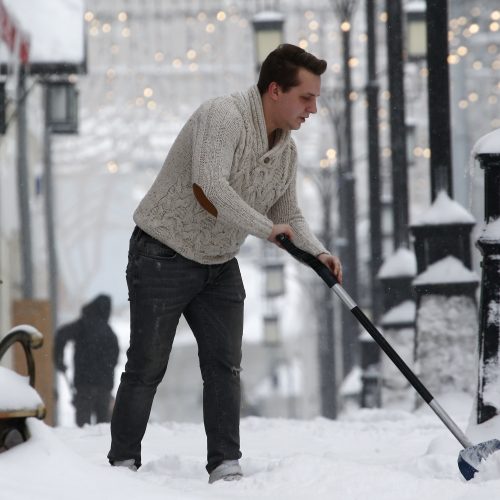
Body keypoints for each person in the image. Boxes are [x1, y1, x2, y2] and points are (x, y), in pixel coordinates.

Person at [107, 43, 342, 482]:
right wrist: (264, 227)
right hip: (163, 253)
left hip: (218, 262)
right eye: (306, 97)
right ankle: (122, 465)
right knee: (146, 366)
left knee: (224, 366)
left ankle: (224, 464)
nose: (314, 107)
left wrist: (319, 252)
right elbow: (208, 185)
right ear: (275, 90)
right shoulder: (223, 116)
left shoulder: (286, 152)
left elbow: (287, 215)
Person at [55, 294, 119, 427]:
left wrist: (59, 359)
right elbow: (114, 359)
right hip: (103, 388)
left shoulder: (83, 325)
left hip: (84, 385)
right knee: (103, 430)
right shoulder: (109, 333)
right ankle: (102, 448)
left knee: (83, 428)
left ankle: (84, 448)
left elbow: (61, 335)